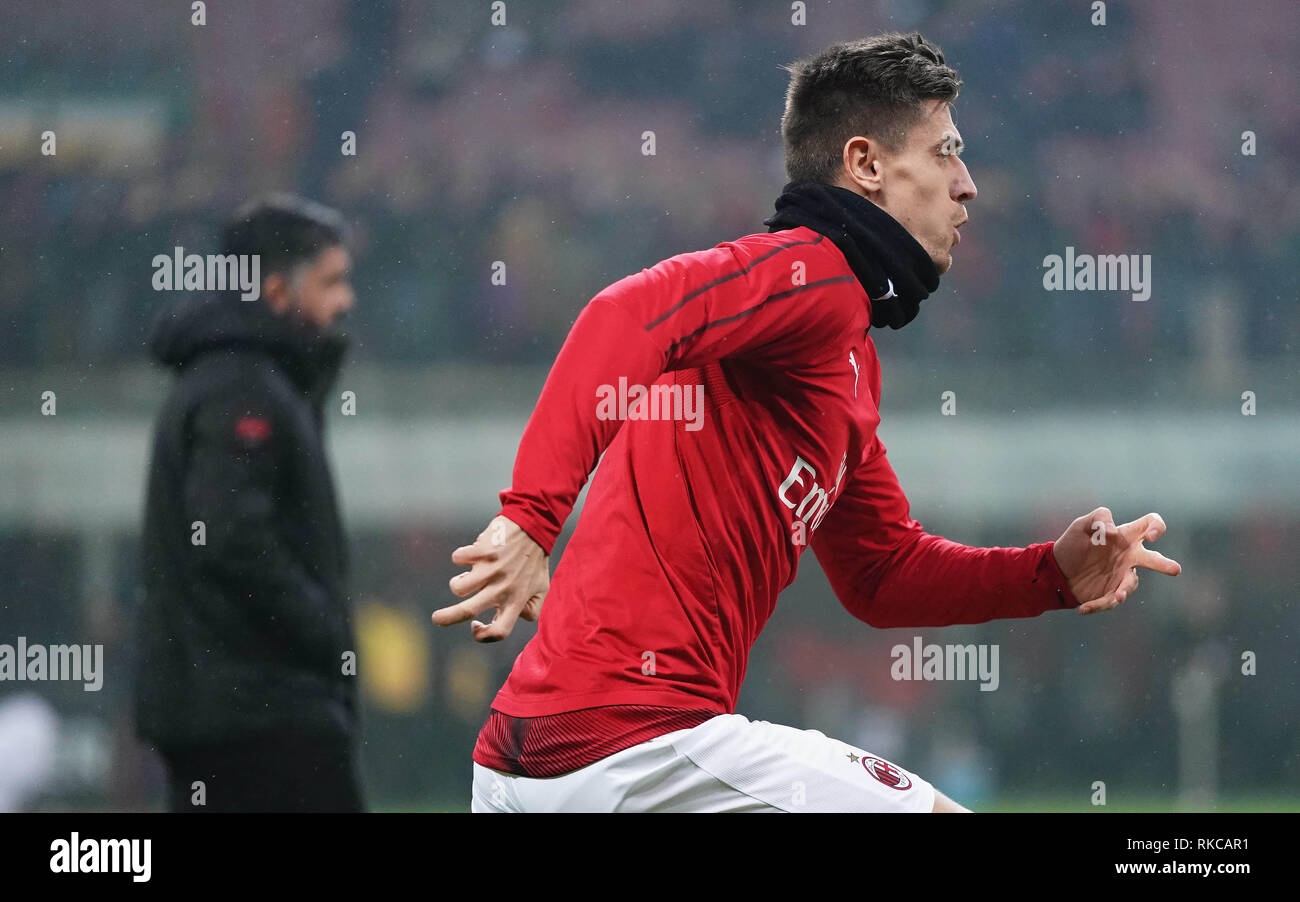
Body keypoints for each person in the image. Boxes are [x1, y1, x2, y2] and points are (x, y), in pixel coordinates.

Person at [436, 32, 1182, 813]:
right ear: (865, 165)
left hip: (530, 760)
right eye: (945, 153)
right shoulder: (811, 272)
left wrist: (1049, 577)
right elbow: (626, 313)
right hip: (633, 746)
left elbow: (881, 573)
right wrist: (530, 518)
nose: (967, 186)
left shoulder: (847, 355)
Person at [135, 195, 364, 812]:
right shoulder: (244, 385)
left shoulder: (241, 377)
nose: (346, 301)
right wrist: (323, 629)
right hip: (262, 714)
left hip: (236, 708)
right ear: (277, 291)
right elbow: (232, 538)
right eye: (332, 281)